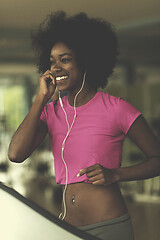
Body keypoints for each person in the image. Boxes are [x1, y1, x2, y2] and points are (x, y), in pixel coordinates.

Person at [8, 11, 160, 240]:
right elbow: (15, 154)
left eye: (65, 59)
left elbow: (157, 160)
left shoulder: (117, 108)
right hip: (66, 227)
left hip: (110, 225)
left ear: (87, 60)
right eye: (52, 61)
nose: (56, 67)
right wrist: (40, 99)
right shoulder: (50, 112)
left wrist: (116, 174)